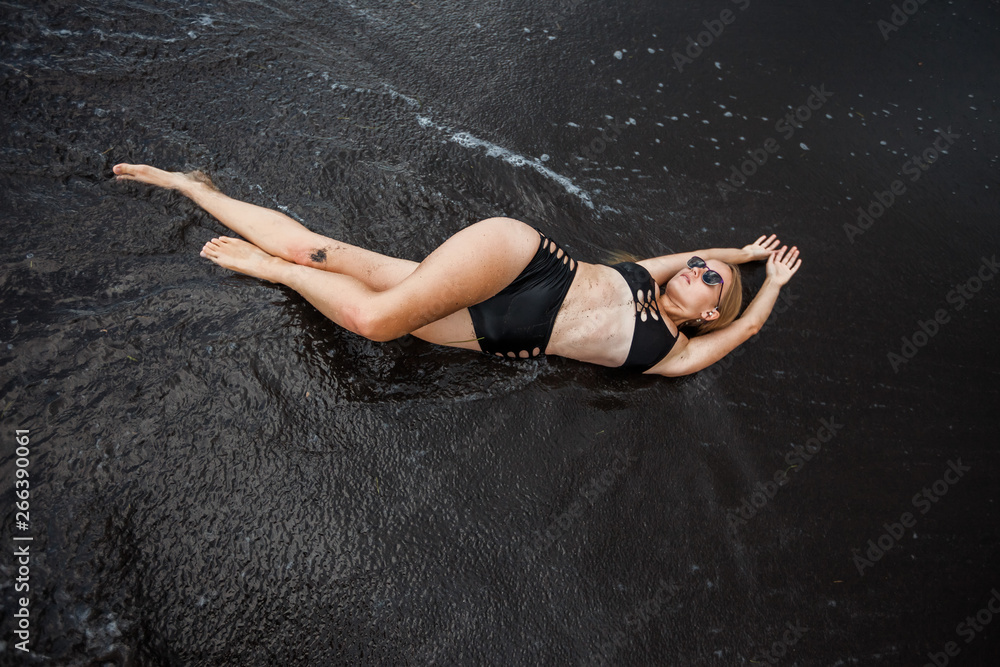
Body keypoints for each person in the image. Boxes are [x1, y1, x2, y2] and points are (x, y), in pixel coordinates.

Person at [113, 163, 801, 376]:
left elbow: (738, 334)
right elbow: (692, 256)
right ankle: (195, 188)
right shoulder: (644, 276)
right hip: (526, 261)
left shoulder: (673, 353)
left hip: (501, 326)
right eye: (700, 263)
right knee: (363, 305)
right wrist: (741, 252)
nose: (699, 268)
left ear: (713, 308)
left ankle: (278, 264)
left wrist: (768, 282)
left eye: (711, 278)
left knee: (347, 291)